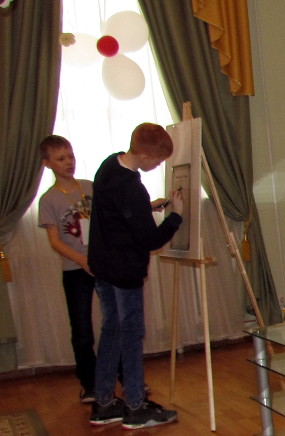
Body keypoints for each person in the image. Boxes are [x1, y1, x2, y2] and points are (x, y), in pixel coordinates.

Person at [88, 123, 184, 430]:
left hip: (103, 266)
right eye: (157, 160)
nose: (157, 165)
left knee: (112, 331)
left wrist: (145, 208)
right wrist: (176, 216)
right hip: (124, 270)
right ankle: (135, 406)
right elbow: (150, 241)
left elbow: (118, 215)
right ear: (143, 154)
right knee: (130, 336)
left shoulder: (108, 166)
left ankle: (104, 403)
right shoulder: (131, 187)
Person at [38, 135, 97, 403]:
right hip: (75, 270)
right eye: (61, 159)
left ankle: (123, 375)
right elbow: (55, 241)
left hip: (102, 265)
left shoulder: (89, 186)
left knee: (116, 322)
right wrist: (81, 260)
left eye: (70, 156)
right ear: (47, 163)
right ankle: (90, 383)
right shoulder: (49, 199)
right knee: (82, 329)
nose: (68, 162)